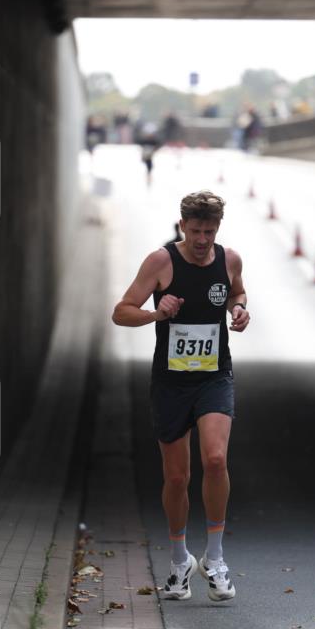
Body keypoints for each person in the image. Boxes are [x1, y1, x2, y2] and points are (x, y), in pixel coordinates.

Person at [112, 191, 250, 602]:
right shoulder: (161, 262)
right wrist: (156, 313)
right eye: (195, 231)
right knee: (176, 477)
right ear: (182, 226)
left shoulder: (229, 259)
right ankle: (178, 561)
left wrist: (239, 310)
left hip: (214, 376)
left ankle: (215, 558)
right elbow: (121, 311)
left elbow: (237, 292)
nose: (203, 239)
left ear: (217, 229)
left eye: (209, 231)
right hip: (171, 382)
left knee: (215, 458)